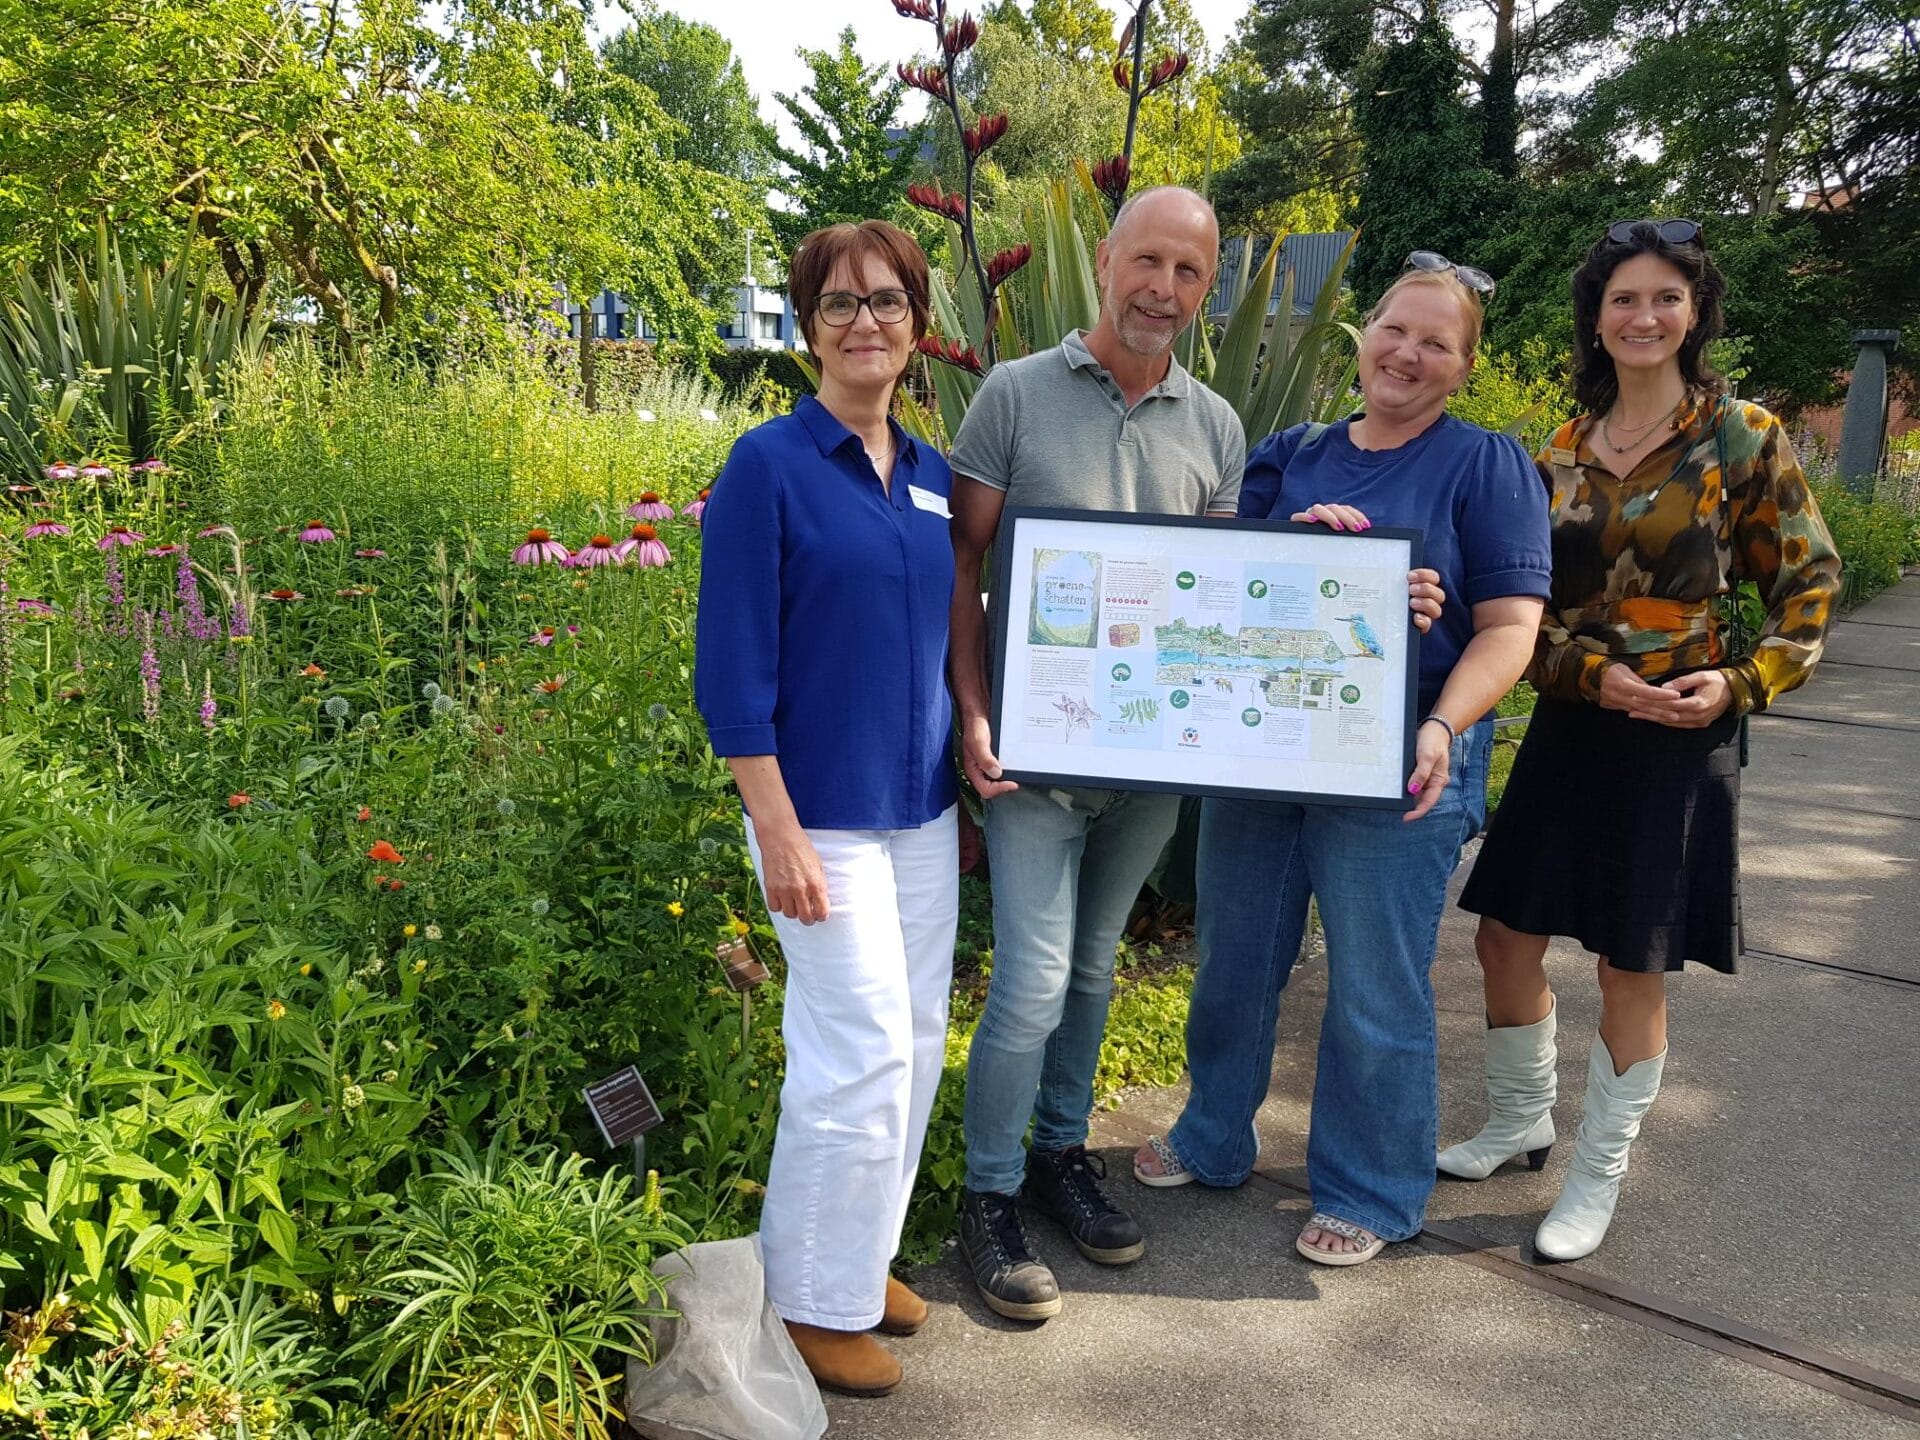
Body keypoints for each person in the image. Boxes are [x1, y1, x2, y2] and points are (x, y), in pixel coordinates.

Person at [947, 190, 1444, 1317]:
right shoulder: (1015, 393)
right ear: (1108, 262)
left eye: (1188, 271)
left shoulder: (1217, 424)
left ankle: (1060, 1156)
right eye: (1147, 261)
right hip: (1030, 761)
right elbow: (962, 570)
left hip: (1148, 769)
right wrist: (970, 713)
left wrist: (1321, 578)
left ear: (1207, 285)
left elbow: (1210, 595)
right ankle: (985, 1196)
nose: (1162, 288)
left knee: (1089, 973)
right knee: (1027, 984)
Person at [1132, 256, 1554, 1267]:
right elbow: (1224, 588)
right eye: (1395, 330)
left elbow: (1509, 629)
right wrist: (1305, 554)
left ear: (1461, 367)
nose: (1408, 353)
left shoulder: (1485, 464)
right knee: (1233, 962)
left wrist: (1443, 722)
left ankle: (1371, 1187)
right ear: (1362, 337)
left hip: (1399, 760)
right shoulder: (1290, 452)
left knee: (1375, 988)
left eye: (1437, 343)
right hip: (1269, 748)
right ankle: (1212, 1135)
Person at [1448, 219, 1840, 1261]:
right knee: (1503, 935)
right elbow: (1520, 609)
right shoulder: (1558, 453)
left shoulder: (1743, 437)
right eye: (1624, 298)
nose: (1644, 316)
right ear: (1598, 316)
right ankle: (1518, 1119)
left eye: (1666, 297)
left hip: (1679, 729)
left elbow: (1809, 584)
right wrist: (1584, 672)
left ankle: (1595, 1176)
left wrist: (1745, 682)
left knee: (1634, 960)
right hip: (1579, 722)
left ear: (1695, 312)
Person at [694, 220, 957, 1397]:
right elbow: (730, 666)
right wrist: (776, 826)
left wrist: (983, 732)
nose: (867, 323)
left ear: (917, 326)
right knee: (848, 1057)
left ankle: (862, 1259)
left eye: (888, 302)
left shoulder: (936, 477)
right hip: (822, 819)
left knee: (908, 1048)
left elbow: (950, 636)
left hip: (924, 810)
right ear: (807, 327)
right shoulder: (768, 465)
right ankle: (810, 1302)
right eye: (841, 304)